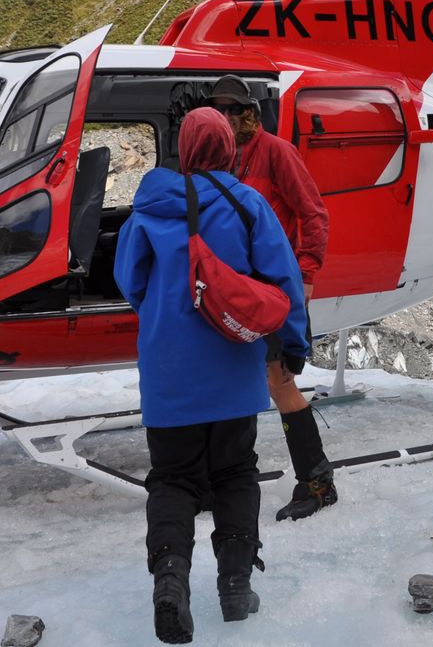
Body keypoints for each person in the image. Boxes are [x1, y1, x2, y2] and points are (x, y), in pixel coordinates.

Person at [114, 107, 309, 644]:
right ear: (227, 149)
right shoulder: (247, 204)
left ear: (184, 148)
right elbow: (282, 279)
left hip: (167, 369)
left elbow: (128, 280)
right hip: (231, 365)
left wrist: (163, 313)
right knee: (234, 473)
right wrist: (293, 346)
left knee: (172, 478)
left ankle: (170, 584)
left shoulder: (149, 207)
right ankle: (234, 586)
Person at [208, 75, 337, 521]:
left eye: (233, 109)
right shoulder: (220, 156)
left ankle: (318, 483)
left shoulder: (277, 152)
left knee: (278, 380)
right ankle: (226, 476)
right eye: (219, 109)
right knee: (233, 380)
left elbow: (313, 213)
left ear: (250, 112)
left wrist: (306, 277)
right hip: (233, 290)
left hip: (271, 289)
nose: (226, 116)